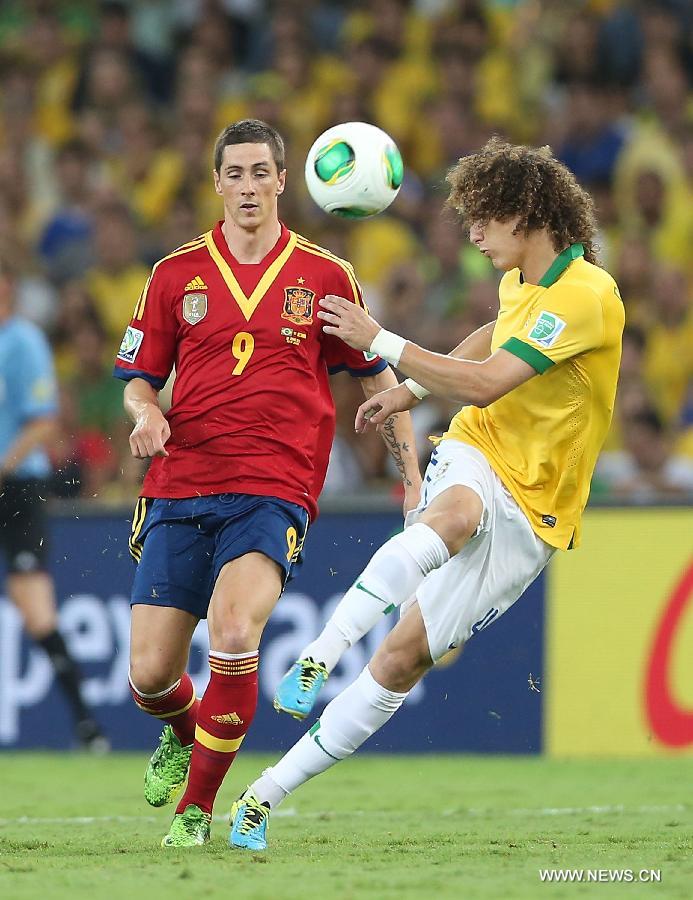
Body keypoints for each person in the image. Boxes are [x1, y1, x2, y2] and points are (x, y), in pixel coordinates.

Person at [230, 137, 625, 851]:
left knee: (402, 658)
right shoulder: (522, 285)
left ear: (528, 213)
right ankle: (319, 653)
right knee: (453, 513)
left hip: (536, 510)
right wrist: (409, 391)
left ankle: (261, 798)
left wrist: (379, 340)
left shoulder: (587, 297)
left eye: (484, 217)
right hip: (481, 447)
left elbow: (486, 376)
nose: (472, 234)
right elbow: (486, 341)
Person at [113, 119, 421, 847]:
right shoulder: (171, 275)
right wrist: (144, 413)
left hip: (273, 488)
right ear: (216, 183)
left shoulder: (325, 276)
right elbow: (136, 382)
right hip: (181, 482)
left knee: (233, 629)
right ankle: (182, 734)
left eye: (261, 173)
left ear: (285, 180)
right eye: (235, 174)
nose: (248, 187)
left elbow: (381, 378)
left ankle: (196, 813)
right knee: (150, 674)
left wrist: (412, 483)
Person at [0, 259, 107, 751]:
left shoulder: (22, 342)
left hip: (17, 489)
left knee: (36, 611)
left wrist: (4, 464)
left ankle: (86, 724)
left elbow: (43, 421)